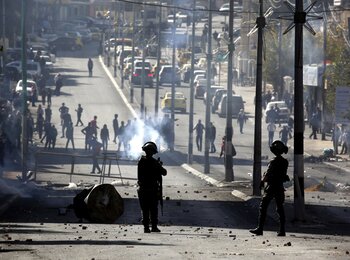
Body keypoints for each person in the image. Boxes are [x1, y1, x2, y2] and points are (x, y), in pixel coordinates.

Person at [249, 140, 290, 237]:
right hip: (280, 186)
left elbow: (268, 174)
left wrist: (262, 182)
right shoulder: (285, 162)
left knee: (263, 207)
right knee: (280, 208)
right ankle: (282, 230)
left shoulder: (273, 161)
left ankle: (260, 229)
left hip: (271, 187)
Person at [137, 142, 167, 233]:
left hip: (142, 189)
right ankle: (154, 226)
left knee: (145, 209)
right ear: (153, 152)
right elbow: (164, 172)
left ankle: (146, 227)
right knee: (153, 209)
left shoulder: (141, 161)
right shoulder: (154, 163)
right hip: (152, 190)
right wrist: (159, 166)